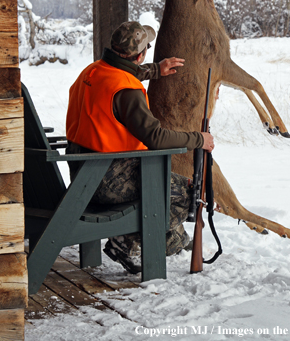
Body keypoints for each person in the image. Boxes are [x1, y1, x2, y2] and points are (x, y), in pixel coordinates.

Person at [65, 21, 215, 274]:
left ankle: (171, 240)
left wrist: (155, 70)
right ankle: (126, 243)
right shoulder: (127, 90)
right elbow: (155, 137)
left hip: (83, 176)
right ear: (141, 54)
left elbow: (118, 75)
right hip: (109, 181)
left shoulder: (91, 72)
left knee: (171, 188)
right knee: (189, 195)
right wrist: (198, 139)